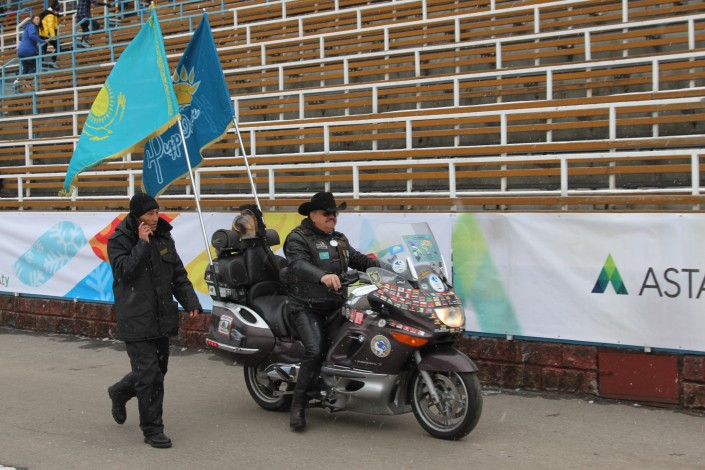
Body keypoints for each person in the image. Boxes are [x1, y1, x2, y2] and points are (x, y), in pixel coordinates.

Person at [106, 193, 202, 449]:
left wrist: (190, 301)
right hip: (135, 317)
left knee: (158, 370)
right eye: (150, 214)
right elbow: (124, 272)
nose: (156, 217)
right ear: (137, 217)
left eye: (157, 212)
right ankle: (152, 429)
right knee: (149, 375)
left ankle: (120, 391)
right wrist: (142, 243)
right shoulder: (119, 239)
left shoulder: (164, 237)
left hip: (161, 316)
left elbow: (177, 273)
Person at [283, 191, 380, 431]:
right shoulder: (298, 238)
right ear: (313, 215)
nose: (332, 217)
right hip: (306, 306)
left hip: (336, 305)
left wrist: (385, 267)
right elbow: (297, 264)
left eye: (335, 213)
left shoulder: (338, 238)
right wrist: (322, 276)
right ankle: (298, 404)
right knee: (315, 350)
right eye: (327, 213)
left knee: (359, 337)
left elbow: (357, 259)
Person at [16, 15, 45, 82]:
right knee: (34, 66)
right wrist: (41, 41)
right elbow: (32, 35)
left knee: (26, 68)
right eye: (37, 19)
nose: (38, 21)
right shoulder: (32, 26)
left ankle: (18, 82)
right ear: (32, 20)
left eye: (39, 20)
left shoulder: (27, 27)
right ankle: (28, 81)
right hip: (28, 50)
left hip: (21, 51)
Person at [38, 2, 61, 69]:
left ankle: (42, 64)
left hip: (43, 35)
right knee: (59, 48)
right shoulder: (50, 15)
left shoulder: (47, 13)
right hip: (48, 35)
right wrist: (53, 37)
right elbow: (50, 26)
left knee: (43, 50)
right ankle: (52, 60)